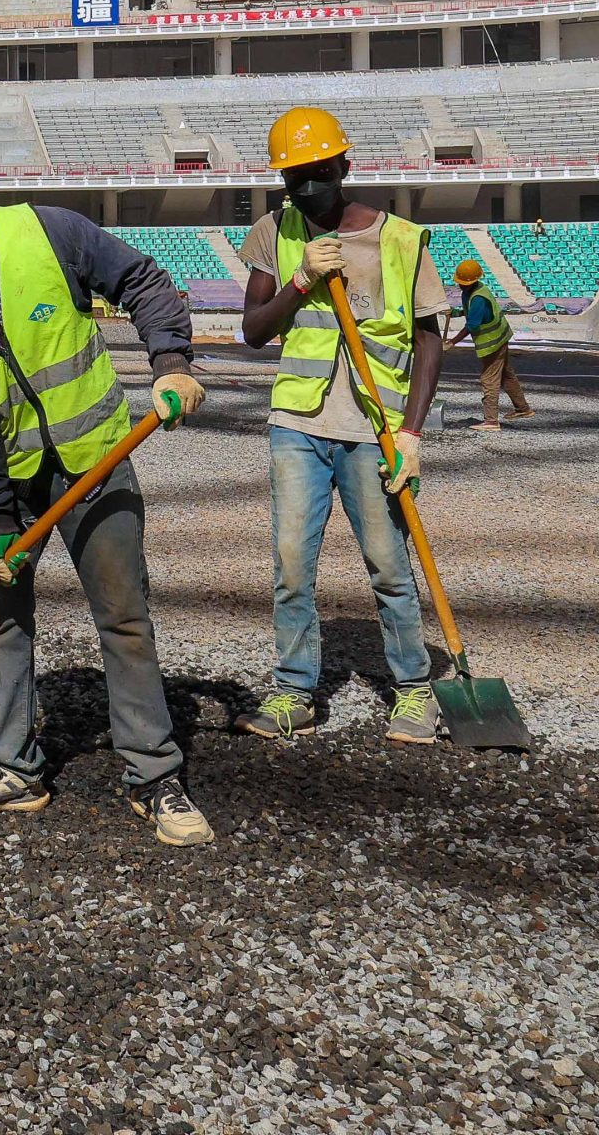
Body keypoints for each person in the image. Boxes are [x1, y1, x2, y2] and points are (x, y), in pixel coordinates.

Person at [0, 146, 214, 847]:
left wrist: (170, 364)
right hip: (15, 481)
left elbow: (143, 281)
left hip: (96, 460)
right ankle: (13, 766)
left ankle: (153, 774)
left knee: (123, 616)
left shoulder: (49, 232)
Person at [234, 107, 446, 746]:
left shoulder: (402, 239)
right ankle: (296, 691)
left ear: (344, 167)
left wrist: (411, 433)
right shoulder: (275, 231)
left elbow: (429, 339)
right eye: (293, 178)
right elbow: (253, 332)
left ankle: (413, 691)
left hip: (374, 430)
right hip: (297, 423)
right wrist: (301, 280)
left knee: (387, 564)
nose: (304, 190)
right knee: (293, 566)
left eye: (316, 174)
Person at [446, 260, 529, 429]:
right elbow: (473, 312)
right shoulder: (477, 289)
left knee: (489, 379)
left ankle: (491, 420)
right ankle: (523, 408)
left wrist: (452, 342)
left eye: (463, 283)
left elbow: (473, 324)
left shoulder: (478, 298)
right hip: (501, 336)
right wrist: (456, 312)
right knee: (506, 374)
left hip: (492, 343)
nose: (461, 286)